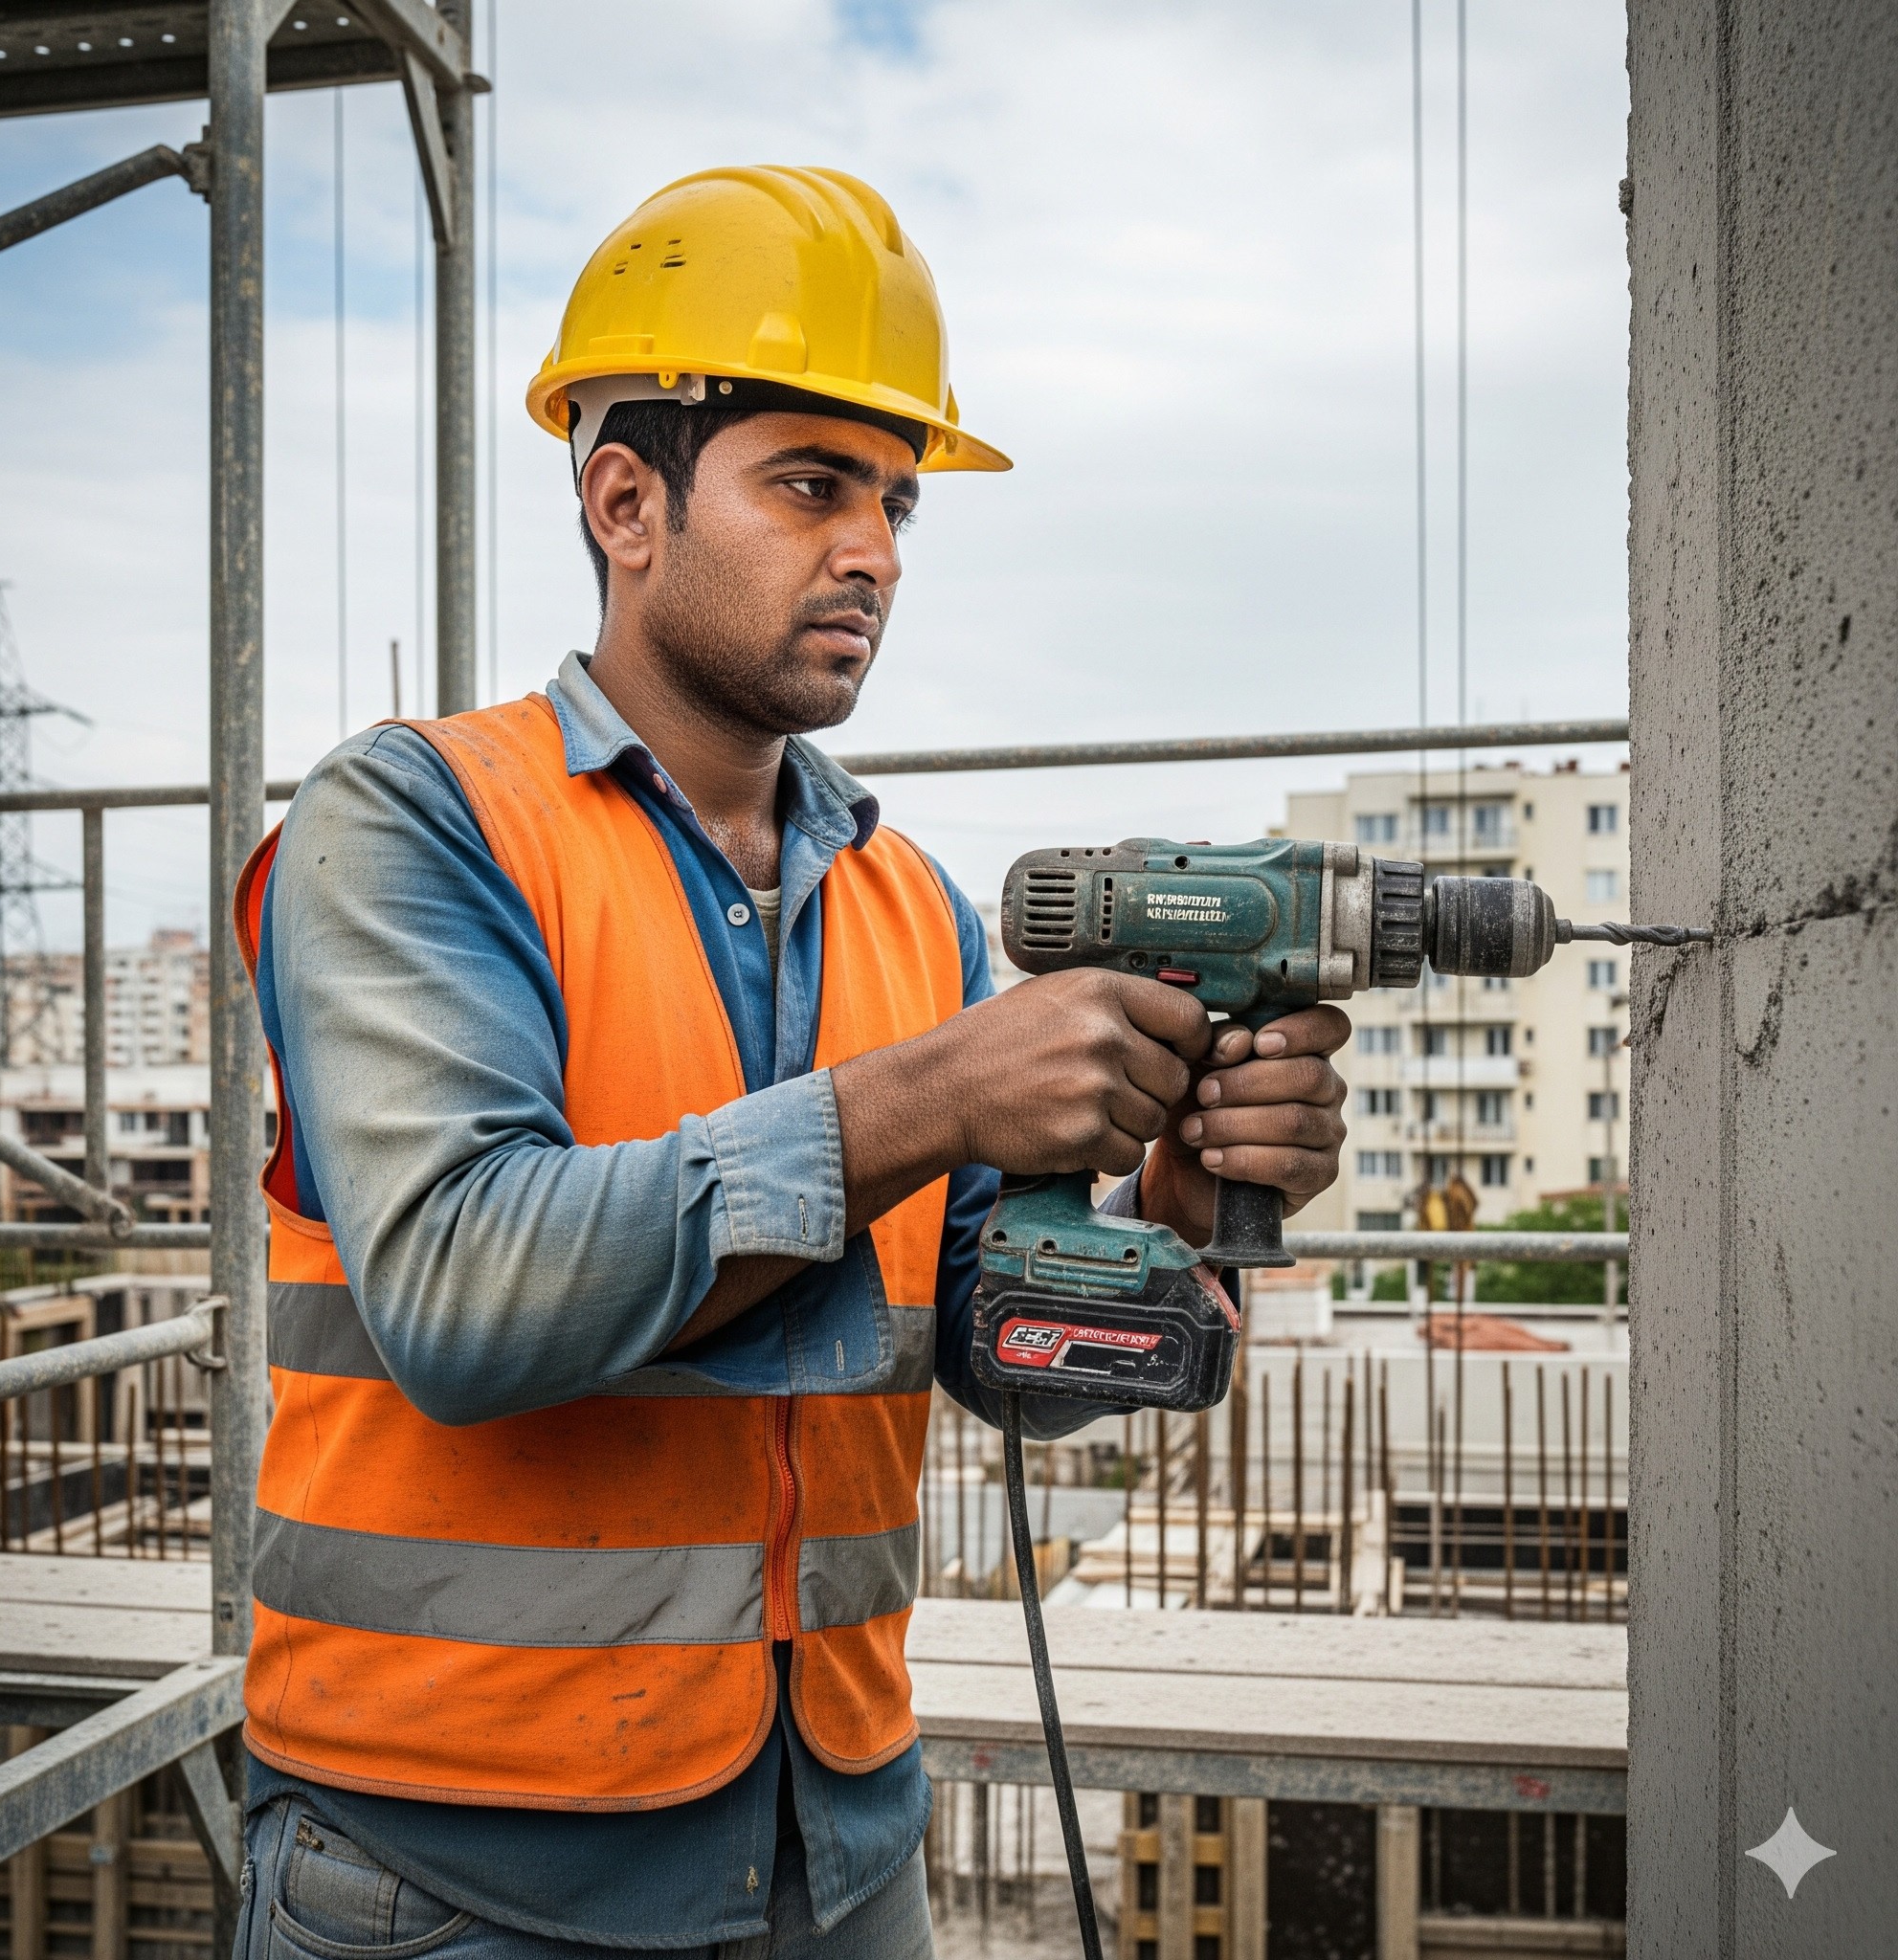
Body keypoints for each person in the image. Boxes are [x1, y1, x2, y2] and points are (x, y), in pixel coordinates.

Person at [232, 167, 1348, 1960]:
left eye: (898, 504)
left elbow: (1009, 1356)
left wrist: (1181, 1213)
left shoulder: (913, 908)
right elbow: (461, 1297)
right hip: (452, 1877)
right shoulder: (420, 821)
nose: (877, 552)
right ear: (626, 503)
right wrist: (936, 1098)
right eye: (813, 485)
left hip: (833, 1849)